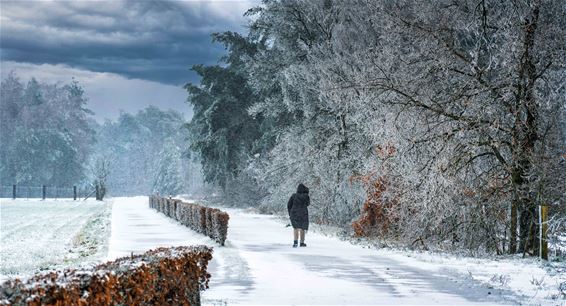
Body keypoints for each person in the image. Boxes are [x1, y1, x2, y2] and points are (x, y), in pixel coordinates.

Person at [287, 183, 310, 248]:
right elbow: (308, 204)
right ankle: (302, 242)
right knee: (302, 228)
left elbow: (289, 205)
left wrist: (290, 213)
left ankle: (295, 242)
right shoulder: (306, 196)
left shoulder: (293, 196)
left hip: (294, 213)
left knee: (295, 228)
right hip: (303, 213)